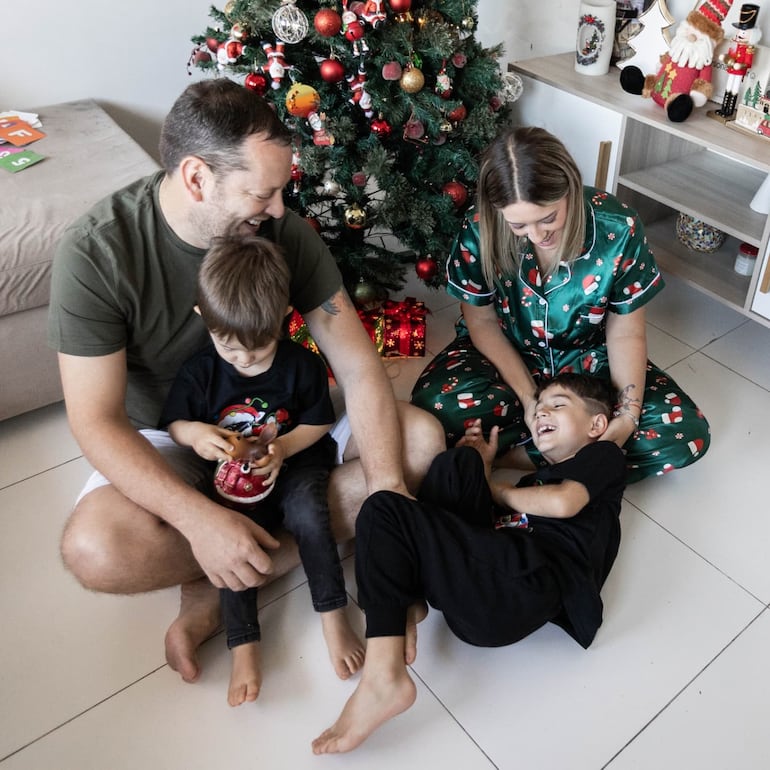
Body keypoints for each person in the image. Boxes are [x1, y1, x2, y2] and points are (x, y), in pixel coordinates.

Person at [47, 78, 444, 686]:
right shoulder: (98, 252)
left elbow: (358, 364)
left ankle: (233, 574)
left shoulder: (280, 230)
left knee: (418, 442)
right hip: (174, 435)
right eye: (263, 193)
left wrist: (387, 496)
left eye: (282, 190)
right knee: (95, 549)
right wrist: (199, 521)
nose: (279, 210)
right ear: (198, 178)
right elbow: (94, 420)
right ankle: (259, 556)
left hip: (287, 417)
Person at [313, 372, 627, 754]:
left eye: (557, 405)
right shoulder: (535, 483)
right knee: (457, 464)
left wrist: (495, 488)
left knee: (384, 508)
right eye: (539, 407)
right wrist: (480, 471)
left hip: (528, 585)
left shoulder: (603, 456)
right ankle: (408, 603)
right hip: (488, 587)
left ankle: (384, 677)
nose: (542, 412)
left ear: (597, 425)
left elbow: (563, 504)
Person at [410, 126, 710, 483]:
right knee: (434, 405)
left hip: (589, 362)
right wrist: (529, 400)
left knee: (686, 433)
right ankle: (574, 451)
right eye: (519, 225)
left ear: (570, 187)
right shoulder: (479, 226)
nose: (538, 236)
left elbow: (626, 333)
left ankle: (514, 457)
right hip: (507, 352)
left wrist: (625, 421)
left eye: (548, 218)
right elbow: (481, 323)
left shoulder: (620, 227)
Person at [158, 231, 364, 706]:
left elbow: (317, 422)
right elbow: (175, 424)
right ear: (203, 320)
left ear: (283, 321)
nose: (245, 359)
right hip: (234, 484)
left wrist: (283, 450)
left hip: (294, 466)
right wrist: (196, 435)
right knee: (231, 543)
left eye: (260, 347)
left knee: (312, 517)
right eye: (230, 349)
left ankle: (333, 612)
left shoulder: (301, 366)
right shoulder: (200, 372)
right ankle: (244, 643)